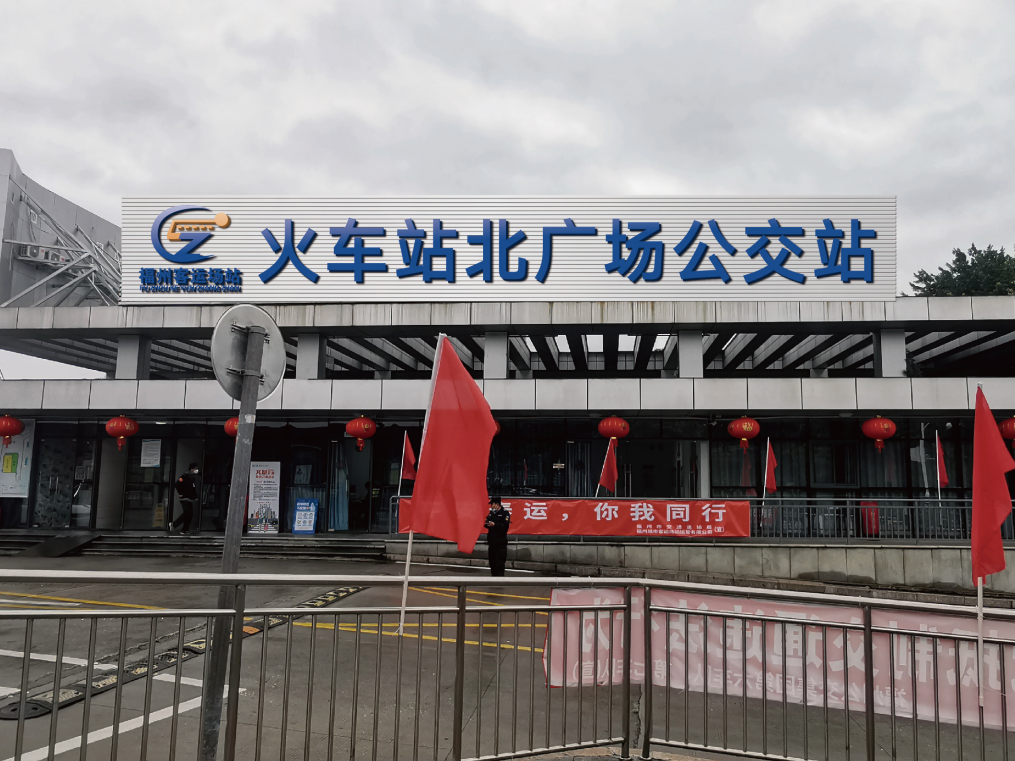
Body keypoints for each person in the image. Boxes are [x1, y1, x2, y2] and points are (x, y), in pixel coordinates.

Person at [484, 496, 511, 577]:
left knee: (499, 561)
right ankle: (493, 575)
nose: (491, 506)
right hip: (492, 541)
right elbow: (487, 523)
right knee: (492, 560)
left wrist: (495, 524)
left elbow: (505, 526)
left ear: (497, 504)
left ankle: (499, 578)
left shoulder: (504, 513)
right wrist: (487, 523)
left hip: (500, 541)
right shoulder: (492, 513)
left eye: (492, 504)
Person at [171, 463, 200, 534]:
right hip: (184, 498)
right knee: (187, 513)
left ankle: (185, 529)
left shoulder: (192, 477)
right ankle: (174, 524)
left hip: (190, 498)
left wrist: (195, 497)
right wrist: (181, 493)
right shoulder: (184, 476)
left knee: (190, 514)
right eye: (196, 468)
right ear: (192, 469)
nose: (197, 470)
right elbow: (177, 484)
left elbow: (192, 488)